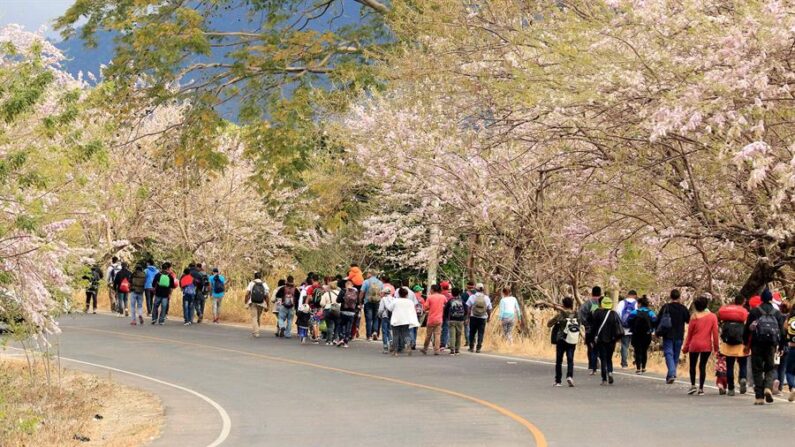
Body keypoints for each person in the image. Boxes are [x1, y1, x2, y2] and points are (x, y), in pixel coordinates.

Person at [745, 288, 786, 405]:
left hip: (756, 344)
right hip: (771, 345)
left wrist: (745, 344)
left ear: (761, 299)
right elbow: (782, 332)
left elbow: (747, 329)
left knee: (757, 369)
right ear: (771, 299)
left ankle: (759, 397)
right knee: (770, 367)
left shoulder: (754, 312)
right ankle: (768, 387)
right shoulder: (777, 313)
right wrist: (782, 346)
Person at [682, 296, 719, 395]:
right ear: (706, 305)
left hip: (694, 345)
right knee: (702, 366)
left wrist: (685, 347)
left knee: (692, 365)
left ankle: (693, 385)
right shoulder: (712, 317)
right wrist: (716, 348)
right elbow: (715, 333)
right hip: (706, 345)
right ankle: (701, 388)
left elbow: (689, 335)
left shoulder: (693, 317)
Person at [717, 294, 750, 395]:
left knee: (730, 366)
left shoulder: (727, 311)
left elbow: (718, 318)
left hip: (728, 343)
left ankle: (731, 388)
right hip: (741, 343)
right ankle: (743, 378)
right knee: (743, 364)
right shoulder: (744, 312)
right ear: (743, 302)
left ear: (734, 301)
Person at [657, 289, 691, 384]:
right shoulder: (683, 308)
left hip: (667, 334)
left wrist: (656, 331)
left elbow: (658, 319)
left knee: (668, 353)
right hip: (679, 335)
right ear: (679, 297)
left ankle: (671, 373)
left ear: (670, 296)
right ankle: (671, 374)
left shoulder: (666, 307)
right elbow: (689, 320)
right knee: (675, 356)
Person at [588, 296, 623, 385]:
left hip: (601, 339)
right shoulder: (614, 314)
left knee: (603, 358)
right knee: (609, 358)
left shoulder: (597, 313)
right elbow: (619, 326)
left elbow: (593, 327)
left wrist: (591, 339)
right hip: (612, 339)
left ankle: (604, 379)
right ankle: (610, 372)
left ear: (602, 304)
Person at [548, 297, 580, 387]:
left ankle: (558, 381)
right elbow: (580, 324)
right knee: (570, 359)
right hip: (572, 338)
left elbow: (549, 324)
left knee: (559, 360)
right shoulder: (576, 314)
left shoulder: (561, 314)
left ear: (563, 304)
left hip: (561, 339)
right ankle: (570, 376)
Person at [626, 296, 657, 374]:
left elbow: (628, 321)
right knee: (644, 350)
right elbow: (655, 321)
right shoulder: (651, 312)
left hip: (636, 334)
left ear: (639, 304)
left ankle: (638, 368)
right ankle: (643, 367)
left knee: (637, 350)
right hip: (647, 334)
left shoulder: (634, 312)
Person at [387, 287, 420, 356]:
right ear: (406, 295)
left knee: (395, 335)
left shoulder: (395, 301)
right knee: (406, 334)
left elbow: (389, 308)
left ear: (398, 294)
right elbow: (412, 311)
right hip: (406, 320)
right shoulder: (410, 302)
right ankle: (408, 344)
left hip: (396, 320)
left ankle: (395, 352)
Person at [578, 287, 602, 375]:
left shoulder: (588, 303)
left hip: (590, 329)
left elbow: (581, 315)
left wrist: (586, 325)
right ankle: (601, 363)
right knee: (600, 346)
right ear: (600, 293)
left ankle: (592, 366)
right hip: (601, 329)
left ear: (592, 293)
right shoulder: (603, 303)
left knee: (590, 347)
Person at [466, 283, 492, 353]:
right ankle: (478, 348)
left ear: (476, 289)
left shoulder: (472, 297)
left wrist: (468, 317)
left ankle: (471, 347)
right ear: (483, 289)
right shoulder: (486, 298)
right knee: (481, 333)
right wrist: (489, 317)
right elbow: (489, 309)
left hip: (473, 317)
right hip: (482, 318)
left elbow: (468, 307)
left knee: (472, 332)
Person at [421, 284, 447, 355]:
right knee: (437, 335)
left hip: (431, 319)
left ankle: (425, 348)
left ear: (432, 290)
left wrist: (429, 309)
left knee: (428, 335)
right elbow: (446, 304)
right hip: (439, 319)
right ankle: (436, 350)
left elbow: (425, 307)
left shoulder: (430, 297)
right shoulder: (443, 297)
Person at [616, 290, 639, 368]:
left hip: (624, 328)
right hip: (634, 329)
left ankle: (624, 364)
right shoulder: (637, 304)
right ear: (635, 296)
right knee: (636, 345)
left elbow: (617, 314)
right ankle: (637, 362)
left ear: (628, 295)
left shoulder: (621, 303)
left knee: (624, 346)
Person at [243, 272, 270, 337]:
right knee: (258, 317)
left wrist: (246, 301)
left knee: (254, 317)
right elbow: (267, 295)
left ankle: (256, 332)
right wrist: (267, 305)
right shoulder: (264, 284)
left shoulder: (251, 283)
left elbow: (247, 293)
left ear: (254, 277)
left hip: (253, 302)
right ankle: (256, 330)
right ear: (260, 277)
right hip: (261, 303)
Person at [361, 271, 384, 341]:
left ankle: (369, 336)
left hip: (368, 301)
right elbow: (382, 293)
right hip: (377, 302)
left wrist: (360, 301)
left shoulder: (366, 282)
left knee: (368, 319)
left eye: (368, 273)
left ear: (370, 274)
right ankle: (375, 332)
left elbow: (362, 292)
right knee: (376, 318)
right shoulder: (380, 283)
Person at [336, 280, 360, 348]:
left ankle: (341, 339)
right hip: (352, 312)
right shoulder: (355, 291)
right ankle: (346, 342)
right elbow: (357, 302)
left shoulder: (343, 290)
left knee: (341, 325)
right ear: (352, 285)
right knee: (348, 327)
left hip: (343, 311)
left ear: (346, 285)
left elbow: (338, 300)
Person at [445, 287, 467, 355]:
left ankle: (452, 350)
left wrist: (447, 318)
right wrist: (464, 317)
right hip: (460, 320)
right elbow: (466, 309)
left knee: (452, 335)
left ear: (452, 293)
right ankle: (457, 350)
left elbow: (446, 310)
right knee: (458, 335)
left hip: (452, 319)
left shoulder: (450, 300)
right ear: (459, 293)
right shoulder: (462, 301)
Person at [321, 280, 340, 345]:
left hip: (328, 309)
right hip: (338, 309)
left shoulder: (326, 293)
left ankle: (329, 340)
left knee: (330, 326)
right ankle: (335, 339)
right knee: (337, 325)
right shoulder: (339, 293)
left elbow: (322, 303)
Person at [377, 287, 395, 354]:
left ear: (384, 293)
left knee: (384, 331)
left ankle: (385, 347)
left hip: (385, 317)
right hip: (392, 317)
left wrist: (379, 315)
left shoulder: (383, 299)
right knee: (390, 331)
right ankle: (391, 342)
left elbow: (381, 309)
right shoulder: (393, 299)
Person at [784, 306, 795, 402]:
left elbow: (784, 329)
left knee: (789, 371)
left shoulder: (789, 319)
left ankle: (793, 387)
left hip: (792, 347)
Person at [439, 281, 453, 350]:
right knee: (446, 329)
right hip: (448, 314)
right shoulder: (451, 296)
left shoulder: (439, 295)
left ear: (441, 287)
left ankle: (437, 343)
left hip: (439, 314)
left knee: (437, 329)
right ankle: (445, 343)